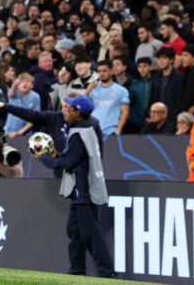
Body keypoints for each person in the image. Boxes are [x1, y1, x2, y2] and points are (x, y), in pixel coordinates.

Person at [36, 95, 115, 278]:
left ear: (78, 112)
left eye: (69, 108)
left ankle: (107, 271)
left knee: (90, 232)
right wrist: (57, 156)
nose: (66, 111)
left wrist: (45, 158)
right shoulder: (90, 128)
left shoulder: (79, 133)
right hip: (87, 186)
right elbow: (75, 157)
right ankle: (77, 269)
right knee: (74, 229)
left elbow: (69, 162)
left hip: (83, 188)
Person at [87, 60, 130, 137]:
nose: (101, 73)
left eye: (104, 71)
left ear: (111, 71)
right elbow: (83, 108)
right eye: (99, 71)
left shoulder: (121, 90)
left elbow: (125, 112)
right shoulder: (93, 89)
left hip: (110, 131)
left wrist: (118, 129)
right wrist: (87, 91)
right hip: (93, 130)